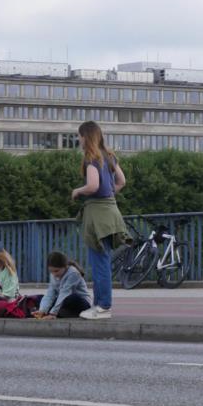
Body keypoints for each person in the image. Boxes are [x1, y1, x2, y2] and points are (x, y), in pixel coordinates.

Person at [72, 120, 129, 320]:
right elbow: (122, 181)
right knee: (102, 260)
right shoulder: (109, 156)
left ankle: (103, 306)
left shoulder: (91, 158)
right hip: (111, 211)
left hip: (97, 214)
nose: (78, 139)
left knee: (99, 262)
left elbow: (93, 185)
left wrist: (78, 190)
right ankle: (99, 305)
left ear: (86, 136)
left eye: (79, 135)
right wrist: (110, 192)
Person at [32, 251, 92, 320]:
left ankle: (57, 313)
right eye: (51, 271)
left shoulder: (73, 273)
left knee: (71, 298)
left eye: (56, 271)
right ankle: (62, 313)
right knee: (41, 298)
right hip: (64, 302)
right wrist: (42, 310)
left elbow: (65, 293)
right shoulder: (53, 275)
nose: (54, 274)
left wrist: (53, 313)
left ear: (65, 266)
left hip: (80, 303)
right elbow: (50, 294)